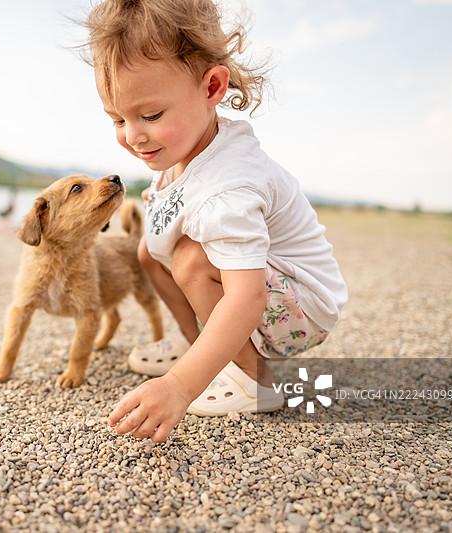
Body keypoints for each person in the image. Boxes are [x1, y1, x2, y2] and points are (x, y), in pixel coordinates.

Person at [83, 0, 348, 443]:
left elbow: (246, 297)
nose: (133, 136)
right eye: (117, 119)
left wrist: (179, 386)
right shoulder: (186, 144)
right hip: (272, 289)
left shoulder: (230, 189)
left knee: (189, 259)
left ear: (212, 88)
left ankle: (253, 380)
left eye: (150, 116)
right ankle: (201, 349)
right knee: (150, 249)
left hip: (303, 307)